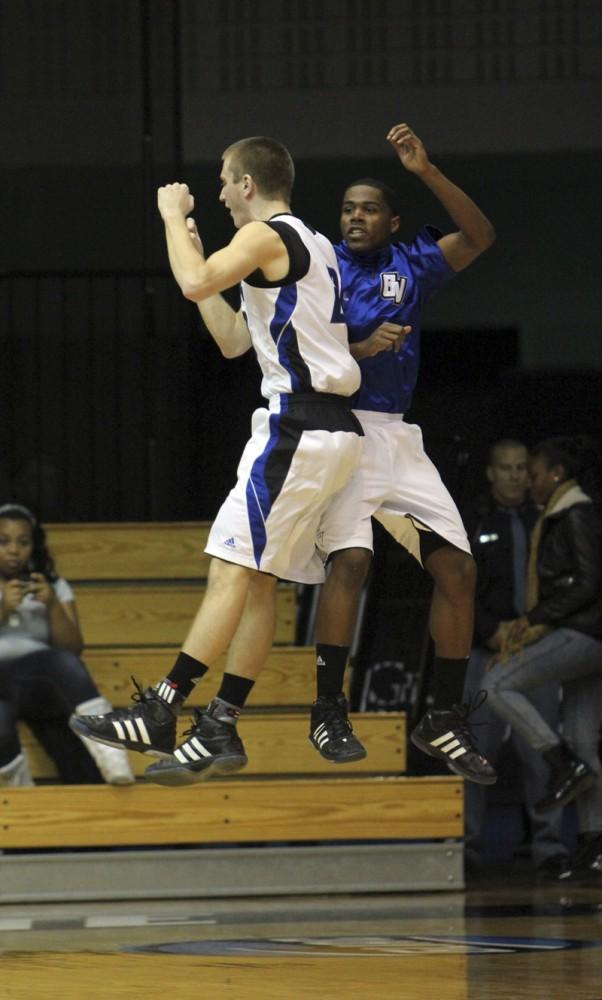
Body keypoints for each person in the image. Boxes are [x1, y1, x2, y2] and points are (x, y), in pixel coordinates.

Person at [71, 135, 366, 784]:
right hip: (325, 433)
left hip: (297, 428)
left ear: (248, 185)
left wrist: (174, 220)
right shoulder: (310, 243)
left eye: (224, 182)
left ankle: (163, 706)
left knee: (229, 571)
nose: (218, 194)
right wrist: (204, 266)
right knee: (257, 581)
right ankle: (222, 726)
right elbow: (234, 339)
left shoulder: (268, 235)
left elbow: (192, 281)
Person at [311, 122, 497, 783]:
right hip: (340, 427)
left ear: (391, 222)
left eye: (368, 209)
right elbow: (288, 355)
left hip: (398, 434)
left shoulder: (410, 265)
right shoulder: (320, 266)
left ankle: (442, 716)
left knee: (459, 574)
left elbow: (480, 238)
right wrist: (357, 351)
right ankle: (328, 708)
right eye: (347, 208)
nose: (355, 217)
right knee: (353, 561)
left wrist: (427, 171)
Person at [481, 435, 602, 883]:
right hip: (585, 638)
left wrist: (530, 620)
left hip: (583, 635)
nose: (527, 482)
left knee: (495, 685)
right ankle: (594, 844)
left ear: (555, 475)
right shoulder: (560, 514)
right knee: (586, 742)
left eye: (532, 474)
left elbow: (589, 583)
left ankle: (559, 764)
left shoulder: (576, 514)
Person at [461, 440, 569, 879]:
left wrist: (534, 631)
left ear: (530, 473)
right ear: (490, 472)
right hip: (483, 652)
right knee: (472, 755)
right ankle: (466, 850)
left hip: (536, 653)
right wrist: (490, 630)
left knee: (542, 755)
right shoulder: (475, 519)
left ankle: (549, 849)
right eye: (504, 467)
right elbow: (457, 587)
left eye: (521, 468)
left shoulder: (550, 519)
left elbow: (566, 584)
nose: (513, 476)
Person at [0, 503, 134, 786]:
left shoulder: (54, 586)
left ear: (34, 546)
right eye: (4, 541)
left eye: (23, 542)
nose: (14, 550)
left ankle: (111, 753)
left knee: (62, 666)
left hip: (35, 682)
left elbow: (72, 649)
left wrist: (52, 606)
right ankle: (21, 802)